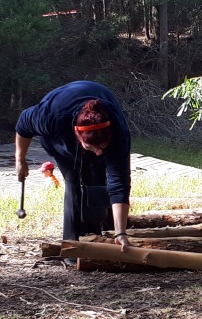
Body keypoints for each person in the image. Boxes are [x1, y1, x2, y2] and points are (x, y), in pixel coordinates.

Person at [15, 81, 132, 252]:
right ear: (77, 133)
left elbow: (119, 182)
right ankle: (75, 247)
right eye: (93, 147)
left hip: (98, 131)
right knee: (75, 182)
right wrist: (20, 160)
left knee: (99, 181)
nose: (99, 153)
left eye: (102, 147)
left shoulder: (118, 132)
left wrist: (121, 232)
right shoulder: (51, 118)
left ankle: (106, 235)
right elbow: (23, 125)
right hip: (60, 140)